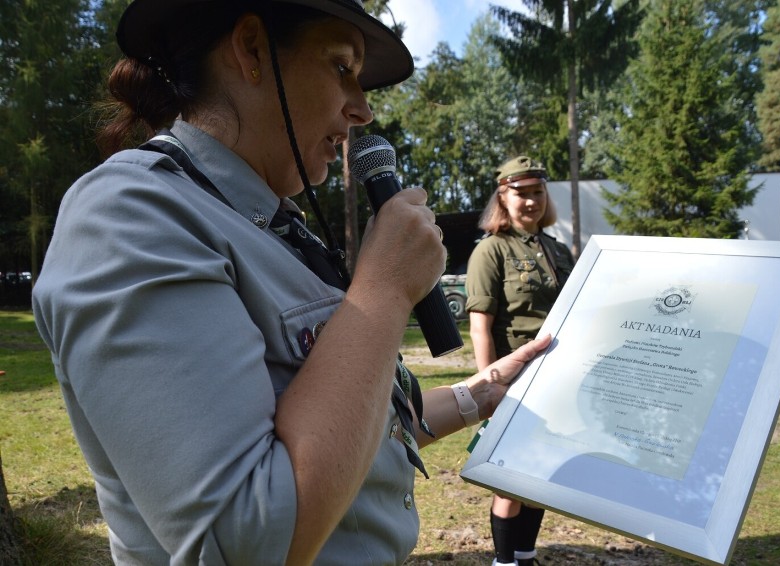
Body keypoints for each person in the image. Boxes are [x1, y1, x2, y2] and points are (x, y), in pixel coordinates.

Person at [30, 1, 551, 564]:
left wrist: (479, 395)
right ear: (253, 49)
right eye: (341, 68)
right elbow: (247, 539)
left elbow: (342, 433)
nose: (363, 110)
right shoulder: (130, 215)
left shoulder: (269, 227)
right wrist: (383, 290)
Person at [464, 156, 574, 566]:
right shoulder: (491, 251)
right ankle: (505, 561)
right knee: (510, 480)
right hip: (514, 381)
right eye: (521, 193)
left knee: (540, 474)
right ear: (502, 198)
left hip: (556, 380)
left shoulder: (558, 249)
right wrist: (489, 387)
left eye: (537, 192)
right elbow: (480, 327)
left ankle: (526, 556)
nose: (530, 201)